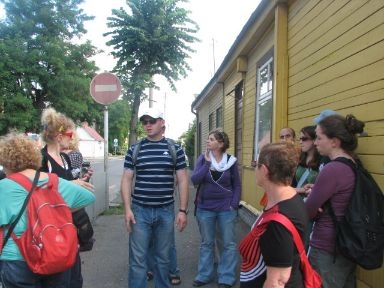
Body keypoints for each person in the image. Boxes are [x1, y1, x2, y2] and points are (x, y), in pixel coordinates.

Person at [0, 132, 95, 288]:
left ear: (7, 160)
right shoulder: (54, 181)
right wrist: (58, 208)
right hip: (52, 252)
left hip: (16, 260)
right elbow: (88, 196)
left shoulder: (4, 187)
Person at [120, 107, 189, 288]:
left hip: (165, 211)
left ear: (162, 122)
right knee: (137, 260)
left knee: (163, 259)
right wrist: (127, 209)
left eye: (152, 121)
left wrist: (182, 211)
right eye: (145, 122)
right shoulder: (135, 149)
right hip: (139, 212)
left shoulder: (175, 149)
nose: (148, 125)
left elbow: (182, 180)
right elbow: (126, 180)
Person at [305, 114, 365, 288]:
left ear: (335, 141)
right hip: (346, 245)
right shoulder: (353, 163)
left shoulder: (332, 169)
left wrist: (314, 202)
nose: (315, 143)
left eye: (319, 137)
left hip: (327, 248)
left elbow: (308, 211)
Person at [239, 142, 308, 288]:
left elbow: (277, 281)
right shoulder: (291, 198)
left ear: (264, 170)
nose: (255, 168)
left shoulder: (277, 223)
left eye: (257, 165)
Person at [39, 107, 93, 288]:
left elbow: (68, 185)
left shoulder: (66, 158)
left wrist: (80, 182)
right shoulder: (42, 160)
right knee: (60, 280)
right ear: (58, 136)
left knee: (75, 279)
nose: (72, 137)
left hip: (70, 227)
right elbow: (40, 196)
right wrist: (72, 185)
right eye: (70, 133)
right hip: (53, 230)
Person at [191, 129, 241, 288]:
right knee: (207, 242)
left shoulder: (231, 161)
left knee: (228, 243)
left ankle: (226, 277)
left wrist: (233, 204)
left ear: (220, 143)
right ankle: (205, 275)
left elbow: (237, 185)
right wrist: (206, 164)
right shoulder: (203, 158)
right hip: (205, 208)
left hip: (226, 208)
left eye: (211, 139)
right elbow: (195, 180)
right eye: (207, 139)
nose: (207, 141)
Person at [292, 125, 320, 197]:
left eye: (304, 139)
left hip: (312, 202)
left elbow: (321, 187)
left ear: (314, 139)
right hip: (297, 200)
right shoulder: (300, 157)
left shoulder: (322, 159)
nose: (301, 142)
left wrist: (294, 190)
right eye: (300, 139)